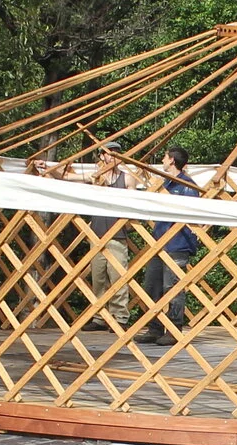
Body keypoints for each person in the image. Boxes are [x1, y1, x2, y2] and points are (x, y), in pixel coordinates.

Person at [136, 147, 203, 346]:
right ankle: (154, 328)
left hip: (178, 244)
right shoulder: (165, 182)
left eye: (164, 157)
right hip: (160, 242)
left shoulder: (187, 186)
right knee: (152, 285)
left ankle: (174, 329)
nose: (163, 160)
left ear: (172, 160)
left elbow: (193, 214)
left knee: (172, 287)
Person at [84, 139, 133, 329]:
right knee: (98, 279)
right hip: (97, 235)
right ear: (102, 156)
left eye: (116, 153)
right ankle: (99, 318)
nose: (113, 157)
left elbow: (133, 200)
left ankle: (120, 318)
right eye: (109, 153)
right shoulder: (95, 177)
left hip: (117, 236)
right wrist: (48, 169)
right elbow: (69, 179)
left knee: (119, 278)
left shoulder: (127, 178)